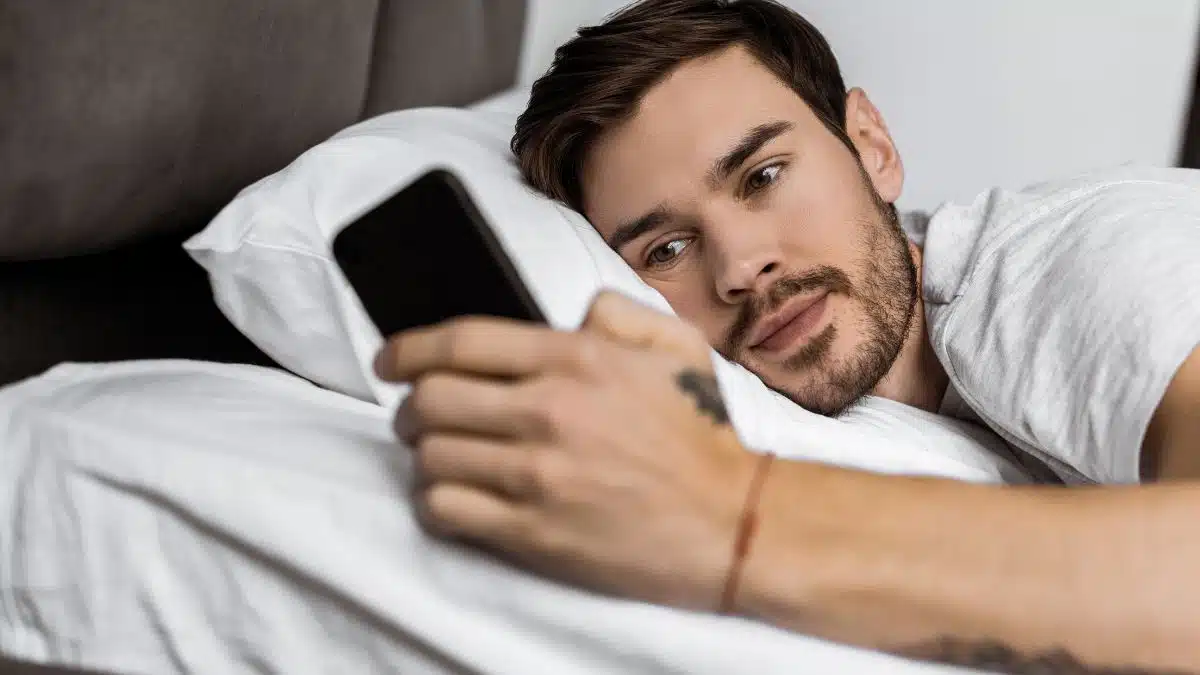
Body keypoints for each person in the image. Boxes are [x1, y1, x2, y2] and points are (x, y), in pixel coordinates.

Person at [372, 0, 1200, 671]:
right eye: (666, 249)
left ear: (871, 147)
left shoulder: (1073, 260)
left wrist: (728, 513)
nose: (739, 265)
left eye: (763, 176)